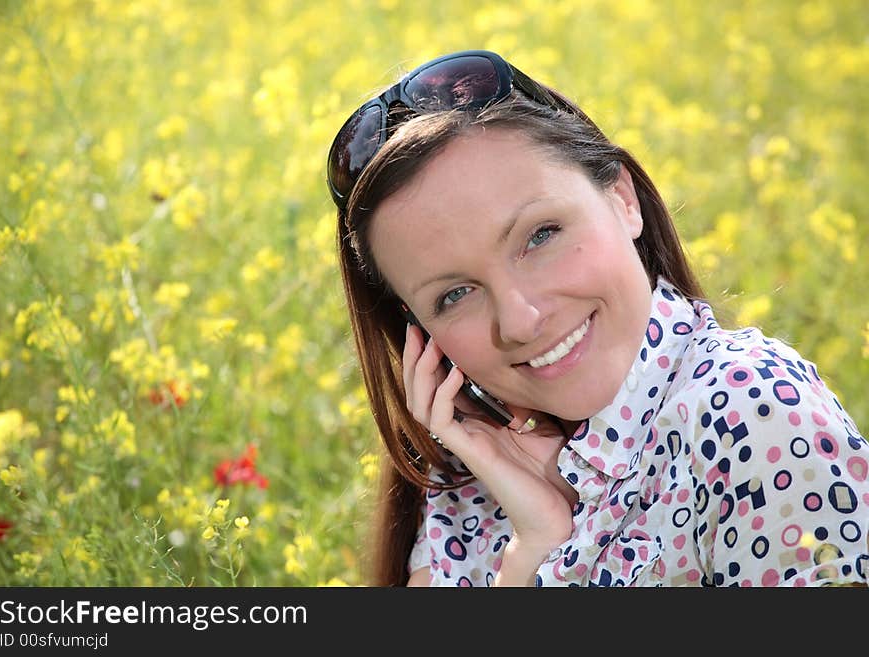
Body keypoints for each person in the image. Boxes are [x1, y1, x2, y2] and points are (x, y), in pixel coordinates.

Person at [326, 49, 869, 587]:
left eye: (540, 236)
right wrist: (530, 549)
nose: (520, 320)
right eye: (455, 294)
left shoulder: (750, 412)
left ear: (621, 198)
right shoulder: (465, 478)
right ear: (418, 331)